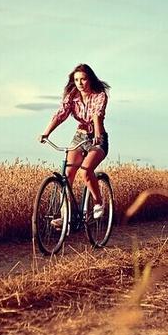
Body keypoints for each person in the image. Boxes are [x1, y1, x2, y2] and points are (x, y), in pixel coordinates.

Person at [39, 63, 110, 221]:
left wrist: (97, 134)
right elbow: (61, 114)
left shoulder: (99, 95)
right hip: (79, 137)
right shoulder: (72, 95)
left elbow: (96, 116)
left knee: (86, 171)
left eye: (83, 79)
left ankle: (98, 202)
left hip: (98, 138)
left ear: (90, 79)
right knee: (67, 175)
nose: (80, 83)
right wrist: (46, 132)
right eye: (77, 80)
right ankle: (66, 218)